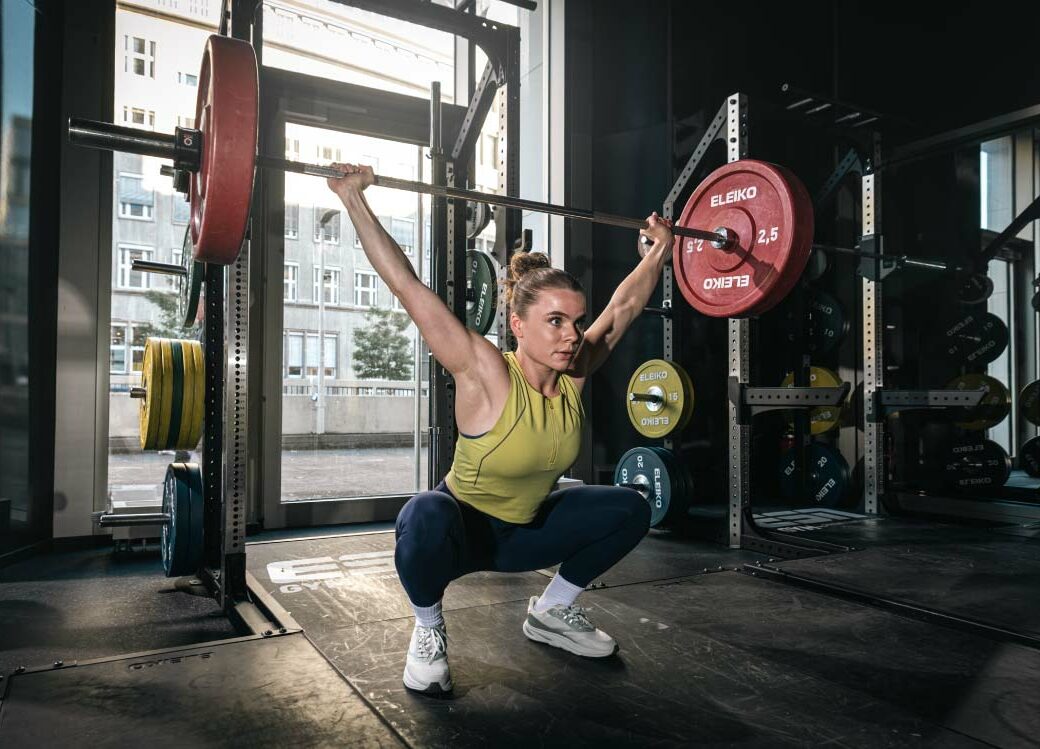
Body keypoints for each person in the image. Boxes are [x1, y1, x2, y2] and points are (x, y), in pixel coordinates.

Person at [328, 163, 674, 696]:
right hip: (460, 533)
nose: (572, 334)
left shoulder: (575, 373)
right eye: (556, 321)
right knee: (422, 514)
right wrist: (353, 198)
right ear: (517, 324)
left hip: (524, 536)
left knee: (631, 506)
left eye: (577, 321)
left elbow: (625, 307)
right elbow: (406, 286)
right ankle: (427, 627)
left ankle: (552, 612)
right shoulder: (485, 370)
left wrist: (660, 251)